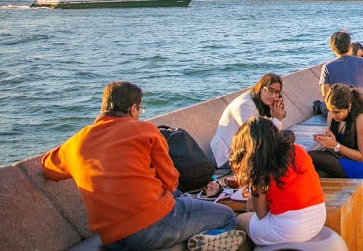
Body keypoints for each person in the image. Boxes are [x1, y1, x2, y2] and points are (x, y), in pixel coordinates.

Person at [42, 81, 242, 251]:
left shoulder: (76, 142)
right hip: (153, 226)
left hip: (111, 239)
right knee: (226, 216)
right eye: (140, 109)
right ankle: (205, 240)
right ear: (133, 109)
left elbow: (47, 167)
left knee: (178, 198)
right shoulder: (144, 130)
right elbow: (171, 181)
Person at [230, 117, 326, 246]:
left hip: (290, 229)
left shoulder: (260, 166)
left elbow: (261, 214)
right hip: (318, 218)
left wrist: (251, 198)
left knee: (241, 220)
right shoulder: (297, 150)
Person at [310, 84, 363, 198]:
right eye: (330, 111)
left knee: (310, 157)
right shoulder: (332, 115)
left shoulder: (362, 119)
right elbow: (334, 144)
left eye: (337, 112)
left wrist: (335, 146)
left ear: (348, 106)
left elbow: (362, 156)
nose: (333, 115)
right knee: (319, 174)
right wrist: (326, 141)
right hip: (344, 159)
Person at [211, 73, 287, 168]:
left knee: (288, 141)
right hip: (226, 157)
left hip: (246, 151)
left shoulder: (262, 102)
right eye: (270, 90)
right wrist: (276, 120)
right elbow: (255, 138)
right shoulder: (245, 105)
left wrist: (275, 116)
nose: (273, 96)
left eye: (277, 92)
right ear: (261, 87)